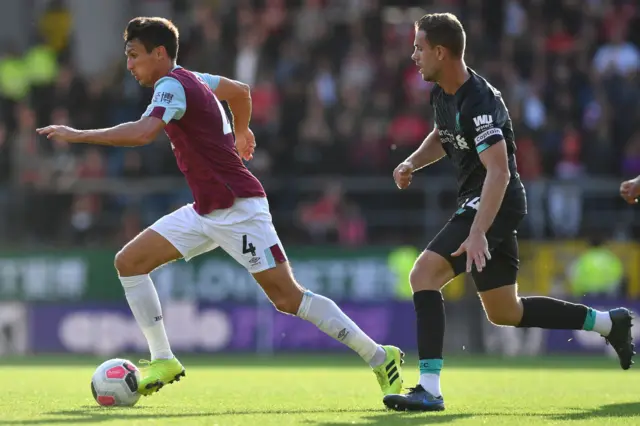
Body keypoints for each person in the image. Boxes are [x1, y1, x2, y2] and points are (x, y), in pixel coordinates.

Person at [36, 17, 404, 398]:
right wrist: (242, 131)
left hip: (239, 209)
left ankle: (379, 356)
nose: (129, 65)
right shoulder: (194, 79)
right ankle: (163, 359)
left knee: (288, 299)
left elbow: (145, 132)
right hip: (206, 210)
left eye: (134, 55)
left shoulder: (172, 85)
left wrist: (79, 136)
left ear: (159, 54)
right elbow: (240, 91)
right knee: (128, 263)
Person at [383, 13, 635, 412]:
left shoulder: (480, 99)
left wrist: (479, 229)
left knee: (423, 274)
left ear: (440, 52)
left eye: (418, 48)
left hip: (493, 199)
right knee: (506, 311)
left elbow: (498, 172)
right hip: (484, 202)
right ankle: (608, 323)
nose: (413, 55)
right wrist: (412, 162)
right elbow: (443, 134)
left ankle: (429, 387)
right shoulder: (442, 93)